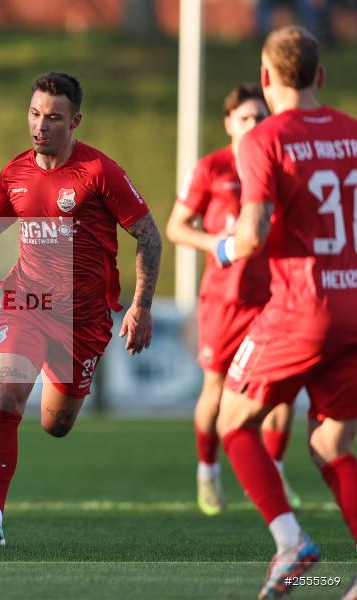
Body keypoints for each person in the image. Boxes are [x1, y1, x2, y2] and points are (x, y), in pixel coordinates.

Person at [0, 72, 163, 548]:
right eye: (35, 113)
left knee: (55, 425)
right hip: (26, 303)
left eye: (54, 117)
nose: (41, 125)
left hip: (82, 319)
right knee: (7, 397)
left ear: (75, 121)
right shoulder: (15, 172)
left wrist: (141, 306)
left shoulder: (99, 172)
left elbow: (148, 235)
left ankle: (60, 392)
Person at [211, 26, 357, 598]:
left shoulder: (263, 139)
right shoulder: (352, 132)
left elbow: (252, 234)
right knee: (329, 445)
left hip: (302, 306)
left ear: (267, 80)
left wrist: (221, 247)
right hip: (353, 303)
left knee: (232, 421)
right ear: (320, 76)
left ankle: (292, 542)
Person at [166, 84, 301, 517]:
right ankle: (208, 472)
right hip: (225, 301)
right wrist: (217, 245)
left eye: (261, 118)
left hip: (275, 297)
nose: (254, 126)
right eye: (244, 118)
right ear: (228, 123)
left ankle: (275, 473)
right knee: (217, 387)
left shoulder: (282, 166)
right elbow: (175, 227)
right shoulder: (211, 168)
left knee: (280, 393)